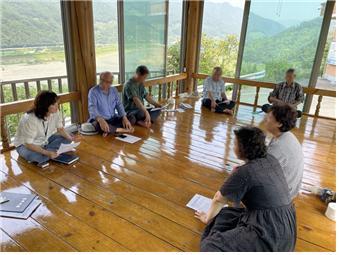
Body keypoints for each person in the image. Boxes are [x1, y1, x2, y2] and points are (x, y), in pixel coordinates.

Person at [195, 126, 296, 252]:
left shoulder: (244, 172)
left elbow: (218, 199)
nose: (233, 147)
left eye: (235, 144)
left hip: (268, 233)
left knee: (210, 246)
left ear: (242, 149)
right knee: (225, 214)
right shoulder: (271, 159)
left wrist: (206, 218)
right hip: (286, 225)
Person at [14, 91, 80, 167]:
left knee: (68, 137)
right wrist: (47, 153)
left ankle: (49, 152)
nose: (57, 106)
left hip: (44, 140)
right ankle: (50, 152)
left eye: (57, 103)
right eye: (53, 104)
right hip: (24, 145)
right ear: (45, 105)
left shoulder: (56, 112)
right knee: (39, 158)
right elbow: (28, 144)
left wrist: (72, 139)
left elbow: (60, 129)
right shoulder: (30, 118)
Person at [264, 103, 304, 199]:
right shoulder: (286, 135)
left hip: (282, 195)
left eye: (269, 117)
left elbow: (261, 171)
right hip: (290, 188)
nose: (265, 119)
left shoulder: (279, 147)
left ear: (279, 123)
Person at [88, 71, 135, 137]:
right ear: (100, 80)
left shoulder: (114, 90)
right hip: (101, 120)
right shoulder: (93, 92)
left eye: (110, 82)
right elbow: (92, 108)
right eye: (105, 81)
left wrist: (124, 117)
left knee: (131, 117)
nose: (107, 84)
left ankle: (111, 130)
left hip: (113, 119)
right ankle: (123, 130)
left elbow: (119, 104)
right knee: (96, 126)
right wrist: (100, 120)